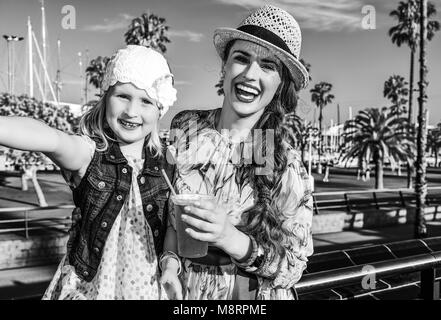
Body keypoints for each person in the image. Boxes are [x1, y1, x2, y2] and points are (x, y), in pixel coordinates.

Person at [160, 5, 314, 300]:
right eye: (241, 58)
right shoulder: (186, 126)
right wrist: (170, 263)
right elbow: (170, 220)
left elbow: (293, 267)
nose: (249, 74)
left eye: (268, 66)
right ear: (224, 66)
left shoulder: (286, 162)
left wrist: (229, 237)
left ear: (280, 84)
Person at [0, 45, 177, 299]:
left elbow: (172, 225)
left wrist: (170, 267)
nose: (132, 111)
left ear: (160, 109)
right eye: (123, 96)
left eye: (146, 101)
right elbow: (50, 138)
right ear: (106, 98)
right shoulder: (89, 153)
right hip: (90, 290)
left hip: (148, 290)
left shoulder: (167, 164)